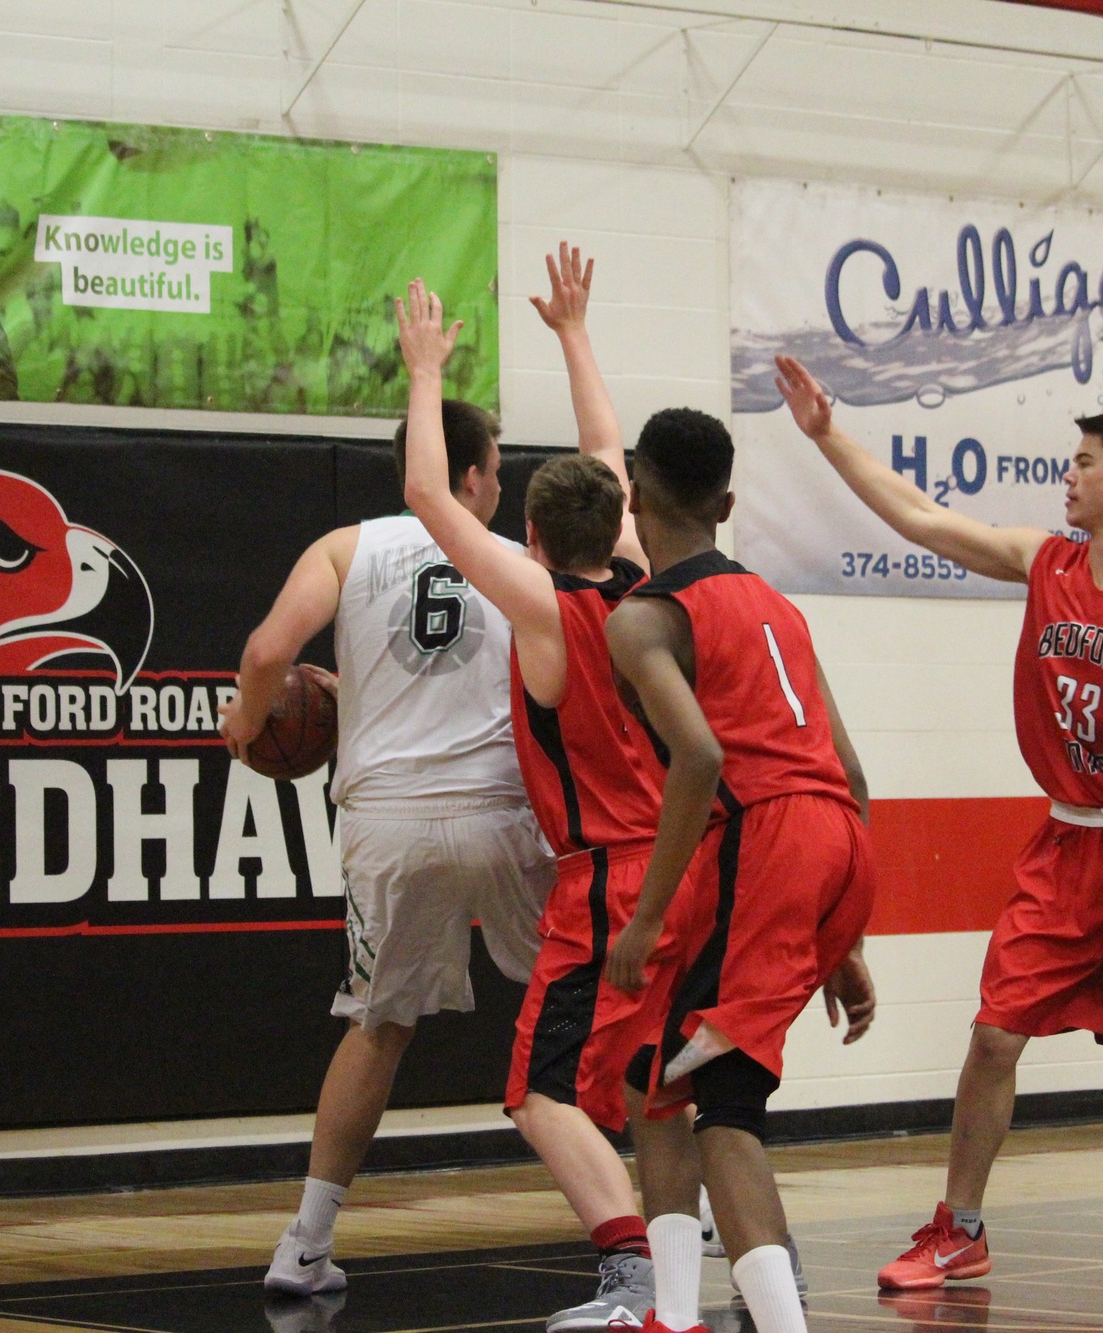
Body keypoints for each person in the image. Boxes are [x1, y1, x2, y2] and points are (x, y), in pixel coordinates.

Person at [773, 360, 1103, 1291]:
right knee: (993, 1036)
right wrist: (826, 435)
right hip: (1071, 840)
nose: (1068, 475)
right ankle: (961, 1229)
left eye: (1084, 461)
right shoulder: (1045, 561)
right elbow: (920, 518)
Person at [220, 345, 556, 1300]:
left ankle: (305, 1243)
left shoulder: (342, 547)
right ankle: (683, 1217)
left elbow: (267, 651)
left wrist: (247, 724)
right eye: (497, 468)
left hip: (386, 820)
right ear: (472, 476)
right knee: (590, 1004)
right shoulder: (517, 558)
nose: (501, 482)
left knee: (377, 1028)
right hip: (503, 807)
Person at [394, 249, 673, 1332]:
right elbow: (606, 453)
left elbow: (428, 494)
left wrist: (427, 373)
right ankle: (722, 1255)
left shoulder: (548, 607)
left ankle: (634, 1280)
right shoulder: (644, 579)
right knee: (660, 1083)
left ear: (534, 538)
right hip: (688, 864)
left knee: (538, 1092)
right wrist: (573, 335)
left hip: (606, 880)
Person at [603, 405, 877, 1333]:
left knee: (723, 1104)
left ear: (634, 495)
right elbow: (854, 774)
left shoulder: (643, 618)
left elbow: (700, 755)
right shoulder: (778, 606)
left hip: (763, 842)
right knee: (652, 1081)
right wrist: (839, 937)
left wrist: (646, 917)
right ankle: (675, 1313)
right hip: (836, 841)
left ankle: (780, 1324)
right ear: (725, 504)